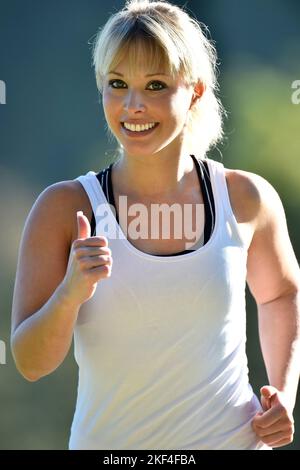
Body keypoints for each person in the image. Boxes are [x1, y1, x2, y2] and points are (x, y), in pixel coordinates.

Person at [11, 0, 299, 451]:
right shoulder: (63, 208)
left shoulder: (246, 198)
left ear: (196, 92)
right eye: (117, 83)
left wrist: (284, 393)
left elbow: (282, 292)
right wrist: (70, 293)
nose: (133, 105)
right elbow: (29, 362)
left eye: (156, 85)